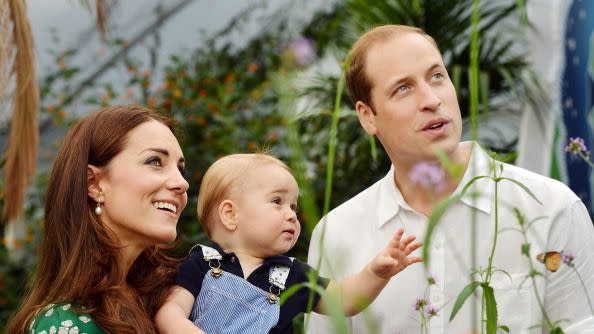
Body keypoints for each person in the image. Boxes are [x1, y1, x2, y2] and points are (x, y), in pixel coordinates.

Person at [306, 24, 594, 333]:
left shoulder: (551, 207)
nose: (431, 99)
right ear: (367, 116)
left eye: (436, 76)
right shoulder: (336, 234)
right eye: (403, 87)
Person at [154, 153, 422, 333]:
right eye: (277, 201)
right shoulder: (202, 262)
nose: (291, 214)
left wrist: (375, 273)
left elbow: (343, 301)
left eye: (293, 206)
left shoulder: (292, 274)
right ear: (230, 214)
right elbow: (170, 312)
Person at [6, 105, 189, 334]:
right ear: (93, 183)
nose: (182, 183)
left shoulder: (176, 301)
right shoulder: (66, 324)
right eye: (155, 161)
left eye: (181, 169)